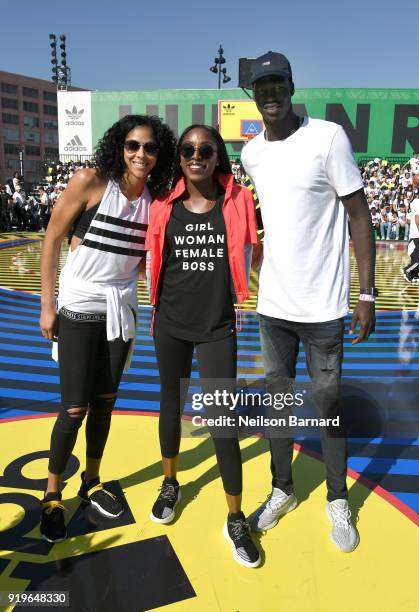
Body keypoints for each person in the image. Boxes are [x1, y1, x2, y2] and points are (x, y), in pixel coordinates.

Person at [241, 51, 376, 553]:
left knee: (328, 405)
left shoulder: (327, 138)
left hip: (324, 308)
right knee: (278, 405)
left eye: (278, 84)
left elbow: (359, 215)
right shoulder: (253, 154)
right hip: (273, 306)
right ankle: (282, 489)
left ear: (292, 87)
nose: (271, 93)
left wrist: (365, 293)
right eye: (262, 86)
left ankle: (338, 499)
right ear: (253, 95)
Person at [38, 115, 175, 543]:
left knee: (105, 403)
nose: (140, 154)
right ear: (120, 146)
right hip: (79, 303)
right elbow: (52, 238)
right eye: (133, 145)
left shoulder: (156, 199)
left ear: (159, 155)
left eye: (150, 148)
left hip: (121, 309)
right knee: (73, 408)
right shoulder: (91, 182)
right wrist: (47, 305)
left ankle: (90, 481)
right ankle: (52, 494)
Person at [145, 124, 261, 568]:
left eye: (205, 149)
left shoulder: (239, 200)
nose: (197, 155)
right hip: (170, 324)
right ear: (179, 158)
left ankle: (235, 519)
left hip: (217, 327)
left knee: (222, 420)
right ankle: (170, 483)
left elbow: (257, 249)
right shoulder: (161, 207)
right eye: (189, 149)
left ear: (217, 157)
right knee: (170, 406)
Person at [401, 185, 419, 284]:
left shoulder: (414, 202)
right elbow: (418, 219)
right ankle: (408, 271)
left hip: (415, 234)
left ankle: (414, 274)